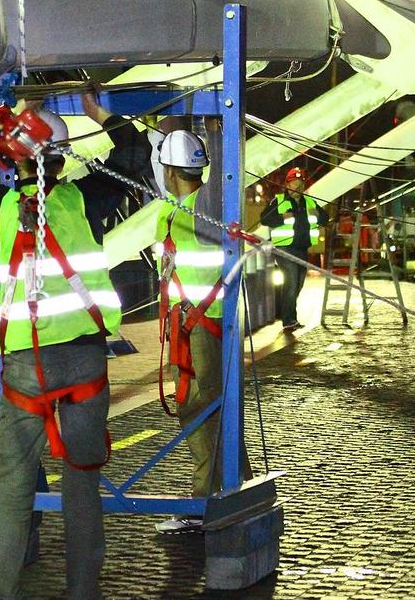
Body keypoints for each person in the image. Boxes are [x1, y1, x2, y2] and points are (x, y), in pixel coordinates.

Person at [0, 94, 150, 600]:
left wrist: (10, 116)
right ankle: (82, 594)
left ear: (15, 157)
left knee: (11, 491)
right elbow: (135, 157)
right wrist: (99, 111)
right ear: (61, 159)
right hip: (82, 363)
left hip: (23, 369)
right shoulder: (85, 200)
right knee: (81, 486)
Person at [153, 123, 251, 535]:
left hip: (200, 327)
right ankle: (238, 484)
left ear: (171, 173)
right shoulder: (177, 206)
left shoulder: (206, 205)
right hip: (197, 324)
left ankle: (202, 504)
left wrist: (217, 130)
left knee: (198, 409)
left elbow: (225, 170)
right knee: (218, 406)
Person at [259, 167, 328, 331]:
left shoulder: (310, 203)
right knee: (291, 281)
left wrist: (318, 215)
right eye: (294, 183)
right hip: (284, 249)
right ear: (288, 185)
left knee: (298, 283)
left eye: (300, 184)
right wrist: (282, 217)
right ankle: (289, 320)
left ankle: (285, 313)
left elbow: (325, 218)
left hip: (302, 249)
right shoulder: (280, 201)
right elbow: (265, 219)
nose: (298, 187)